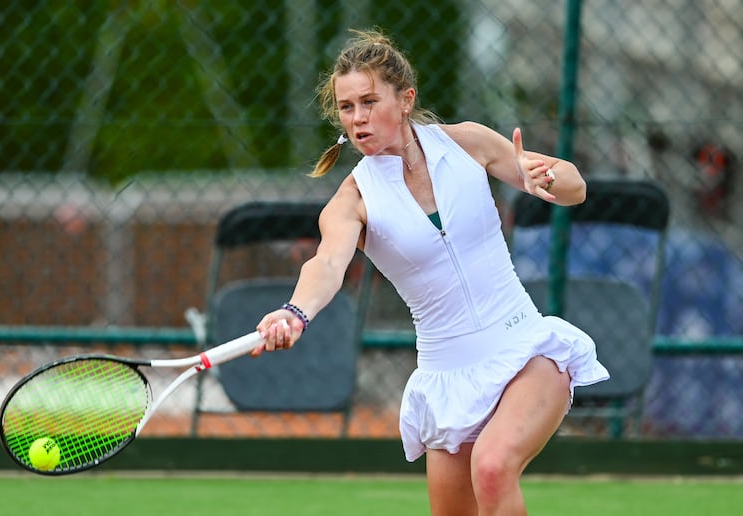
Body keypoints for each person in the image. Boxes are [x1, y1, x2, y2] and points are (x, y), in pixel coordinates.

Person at [254, 28, 609, 516]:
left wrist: (545, 176)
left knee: (492, 467)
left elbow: (575, 187)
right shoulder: (351, 201)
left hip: (525, 349)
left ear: (405, 100)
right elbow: (327, 263)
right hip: (447, 378)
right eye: (347, 107)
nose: (357, 118)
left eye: (369, 102)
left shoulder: (467, 143)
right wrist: (295, 312)